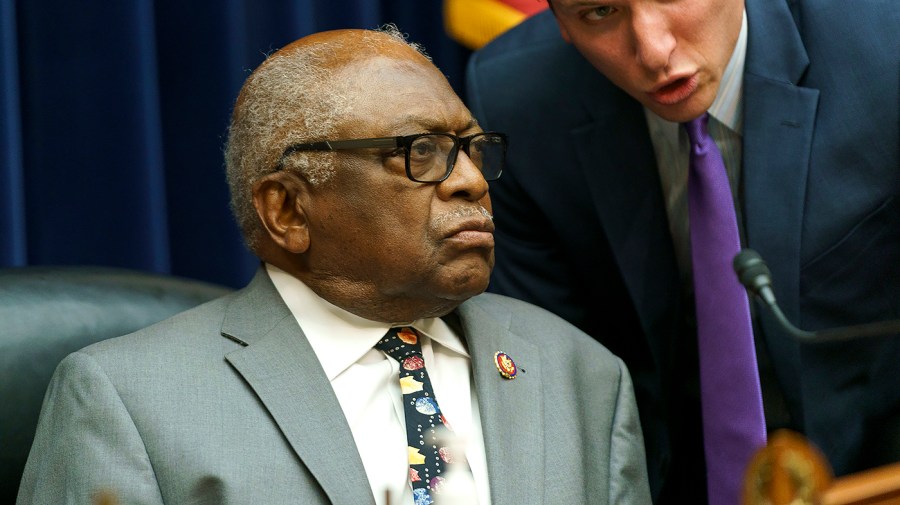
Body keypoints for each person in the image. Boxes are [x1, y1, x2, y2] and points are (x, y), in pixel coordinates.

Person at [16, 27, 652, 505]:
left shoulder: (582, 375)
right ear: (289, 210)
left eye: (472, 150)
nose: (470, 182)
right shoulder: (128, 401)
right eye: (421, 152)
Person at [466, 0, 899, 503]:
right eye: (599, 12)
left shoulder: (883, 46)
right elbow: (554, 384)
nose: (654, 51)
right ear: (560, 21)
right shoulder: (516, 102)